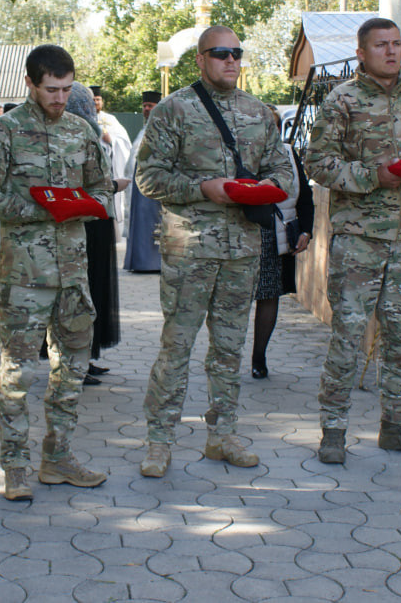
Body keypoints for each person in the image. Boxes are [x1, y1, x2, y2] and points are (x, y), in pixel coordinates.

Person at [136, 26, 294, 478]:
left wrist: (267, 187)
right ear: (201, 60)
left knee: (229, 347)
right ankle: (159, 442)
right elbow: (149, 177)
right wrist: (203, 189)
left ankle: (222, 435)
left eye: (237, 53)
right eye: (220, 53)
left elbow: (285, 170)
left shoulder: (259, 113)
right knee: (177, 347)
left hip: (242, 249)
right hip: (191, 250)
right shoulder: (173, 111)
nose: (231, 61)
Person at [305, 17, 401, 465]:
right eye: (380, 45)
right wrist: (375, 176)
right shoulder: (342, 101)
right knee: (349, 336)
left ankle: (396, 424)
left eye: (396, 44)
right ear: (361, 53)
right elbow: (318, 163)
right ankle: (333, 429)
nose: (391, 52)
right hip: (359, 240)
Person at [0, 44, 114, 501]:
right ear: (31, 84)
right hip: (25, 277)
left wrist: (87, 206)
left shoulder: (81, 130)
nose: (60, 98)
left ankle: (58, 457)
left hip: (74, 274)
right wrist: (41, 208)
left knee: (72, 369)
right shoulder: (4, 132)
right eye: (52, 89)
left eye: (67, 89)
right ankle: (15, 465)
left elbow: (102, 189)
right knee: (17, 374)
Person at [65, 83, 128, 383]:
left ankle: (87, 356)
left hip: (96, 219)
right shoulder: (78, 135)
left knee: (95, 290)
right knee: (85, 292)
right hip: (88, 221)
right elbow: (87, 183)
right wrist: (115, 186)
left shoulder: (88, 132)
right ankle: (77, 359)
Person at [250, 104, 314, 379]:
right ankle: (225, 357)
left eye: (272, 126)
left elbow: (305, 197)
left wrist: (306, 231)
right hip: (243, 235)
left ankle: (259, 356)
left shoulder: (289, 153)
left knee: (269, 295)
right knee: (233, 300)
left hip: (274, 235)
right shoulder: (238, 153)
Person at [123, 91, 163, 273]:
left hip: (153, 185)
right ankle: (139, 262)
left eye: (150, 106)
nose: (147, 109)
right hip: (138, 186)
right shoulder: (144, 128)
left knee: (153, 225)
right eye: (145, 106)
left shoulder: (163, 127)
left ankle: (152, 263)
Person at [90, 86, 133, 227]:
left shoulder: (110, 119)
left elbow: (125, 141)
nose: (96, 102)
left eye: (98, 99)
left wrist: (112, 140)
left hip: (111, 167)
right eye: (93, 100)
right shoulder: (85, 119)